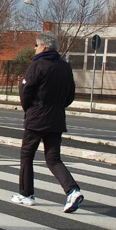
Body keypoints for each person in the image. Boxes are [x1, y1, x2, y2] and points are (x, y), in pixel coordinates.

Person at [11, 31, 84, 213]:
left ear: (42, 46)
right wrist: (57, 106)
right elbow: (70, 95)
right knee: (53, 159)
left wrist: (30, 108)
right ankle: (72, 190)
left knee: (27, 154)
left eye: (36, 45)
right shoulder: (65, 67)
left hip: (37, 116)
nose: (34, 49)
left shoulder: (38, 65)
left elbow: (25, 91)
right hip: (56, 117)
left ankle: (26, 194)